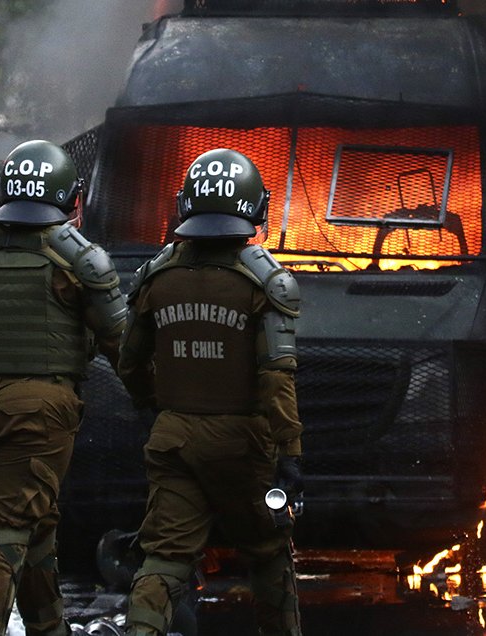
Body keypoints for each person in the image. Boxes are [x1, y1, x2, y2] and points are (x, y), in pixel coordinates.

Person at [0, 139, 127, 636]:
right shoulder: (80, 257)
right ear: (71, 197)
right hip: (41, 412)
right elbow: (123, 344)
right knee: (9, 525)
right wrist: (161, 404)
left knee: (34, 521)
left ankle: (47, 627)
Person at [117, 148, 304, 636]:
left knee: (163, 558)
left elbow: (128, 360)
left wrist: (152, 408)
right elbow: (276, 378)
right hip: (244, 445)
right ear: (256, 207)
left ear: (185, 204)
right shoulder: (266, 281)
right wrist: (290, 453)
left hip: (173, 438)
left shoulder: (156, 275)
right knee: (268, 555)